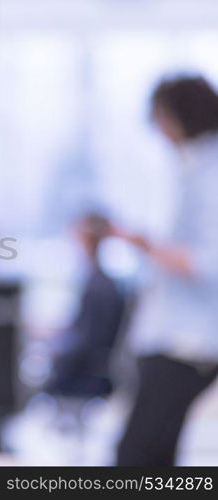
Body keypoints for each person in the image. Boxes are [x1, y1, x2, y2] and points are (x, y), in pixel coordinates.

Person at [114, 75, 218, 466]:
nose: (158, 129)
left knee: (136, 456)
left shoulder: (210, 173)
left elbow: (210, 261)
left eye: (160, 117)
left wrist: (147, 246)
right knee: (155, 453)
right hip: (174, 338)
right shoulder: (192, 168)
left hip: (189, 344)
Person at [45, 213, 126, 398]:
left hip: (85, 372)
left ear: (85, 239)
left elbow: (86, 342)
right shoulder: (101, 282)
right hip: (90, 365)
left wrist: (55, 355)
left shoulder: (99, 287)